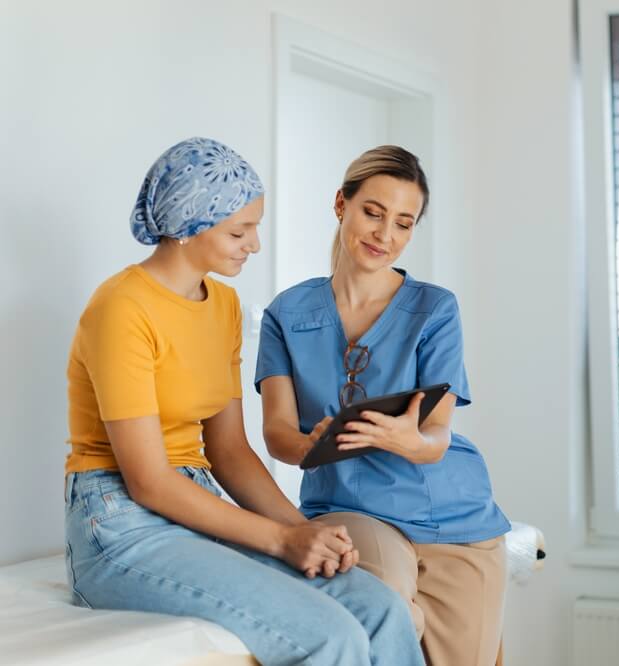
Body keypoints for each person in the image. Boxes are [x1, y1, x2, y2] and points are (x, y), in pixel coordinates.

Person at [64, 137, 424, 666]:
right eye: (239, 230)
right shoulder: (122, 308)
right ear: (188, 227)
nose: (253, 245)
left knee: (380, 607)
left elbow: (229, 450)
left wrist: (304, 531)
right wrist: (281, 540)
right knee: (331, 636)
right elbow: (148, 480)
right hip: (118, 522)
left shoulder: (224, 306)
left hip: (193, 500)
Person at [256, 145, 510, 666]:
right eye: (372, 212)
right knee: (382, 609)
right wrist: (313, 444)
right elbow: (277, 432)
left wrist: (406, 440)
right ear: (340, 204)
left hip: (457, 517)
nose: (384, 235)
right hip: (353, 508)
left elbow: (437, 436)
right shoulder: (287, 313)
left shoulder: (434, 308)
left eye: (403, 223)